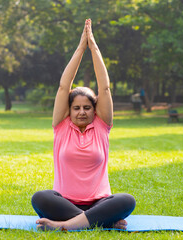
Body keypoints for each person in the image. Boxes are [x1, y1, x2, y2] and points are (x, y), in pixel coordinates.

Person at [31, 19, 136, 231]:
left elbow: (104, 88)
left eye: (87, 108)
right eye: (76, 108)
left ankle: (65, 225)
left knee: (127, 200)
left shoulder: (101, 125)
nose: (81, 112)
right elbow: (63, 87)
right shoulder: (61, 125)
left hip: (100, 202)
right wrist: (81, 47)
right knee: (40, 198)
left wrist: (93, 46)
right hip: (63, 202)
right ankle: (100, 222)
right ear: (68, 111)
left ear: (94, 110)